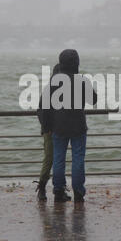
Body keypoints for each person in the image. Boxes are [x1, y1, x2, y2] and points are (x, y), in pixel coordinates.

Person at [49, 49, 97, 203]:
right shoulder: (81, 80)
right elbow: (93, 100)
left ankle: (58, 190)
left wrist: (47, 124)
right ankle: (78, 191)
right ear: (77, 62)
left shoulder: (55, 81)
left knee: (58, 159)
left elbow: (46, 104)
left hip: (58, 125)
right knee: (78, 158)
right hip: (78, 125)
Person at [34, 64, 62, 202]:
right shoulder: (50, 89)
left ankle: (59, 189)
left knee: (57, 160)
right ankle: (42, 186)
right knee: (50, 158)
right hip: (50, 130)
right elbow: (41, 110)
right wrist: (47, 128)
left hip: (59, 129)